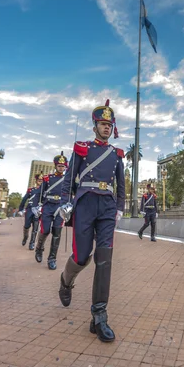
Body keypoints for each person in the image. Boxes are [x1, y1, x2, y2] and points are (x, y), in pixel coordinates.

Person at [58, 100, 125, 343]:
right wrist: (66, 202)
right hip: (85, 203)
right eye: (103, 124)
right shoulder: (82, 148)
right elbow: (69, 178)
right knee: (81, 256)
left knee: (104, 259)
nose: (107, 128)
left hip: (107, 206)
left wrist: (120, 208)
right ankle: (66, 281)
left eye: (110, 124)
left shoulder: (117, 155)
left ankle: (99, 315)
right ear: (95, 125)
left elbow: (121, 186)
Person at [35, 152, 68, 270]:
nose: (61, 168)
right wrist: (37, 206)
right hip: (48, 206)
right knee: (45, 230)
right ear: (55, 166)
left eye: (63, 166)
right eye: (59, 165)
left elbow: (70, 194)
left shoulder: (67, 179)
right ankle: (39, 248)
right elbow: (39, 193)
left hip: (60, 207)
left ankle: (52, 259)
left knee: (57, 234)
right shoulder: (47, 178)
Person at [18, 173, 44, 250]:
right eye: (39, 180)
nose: (40, 181)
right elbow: (24, 199)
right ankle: (25, 237)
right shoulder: (31, 190)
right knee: (27, 226)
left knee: (35, 228)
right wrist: (20, 209)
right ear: (36, 181)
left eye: (41, 180)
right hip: (29, 210)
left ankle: (32, 243)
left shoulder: (44, 191)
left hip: (38, 211)